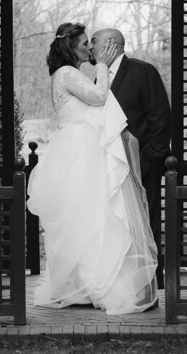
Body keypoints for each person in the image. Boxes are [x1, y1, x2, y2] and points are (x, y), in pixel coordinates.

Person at [27, 22, 158, 314]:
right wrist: (102, 65)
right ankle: (91, 285)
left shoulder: (68, 74)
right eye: (85, 43)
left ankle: (86, 284)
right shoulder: (67, 74)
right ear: (69, 47)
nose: (89, 47)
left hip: (77, 149)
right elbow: (99, 97)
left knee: (87, 217)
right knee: (88, 217)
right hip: (79, 152)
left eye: (90, 43)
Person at [90, 28, 171, 289]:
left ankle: (148, 284)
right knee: (115, 226)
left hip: (142, 168)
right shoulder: (96, 79)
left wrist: (146, 161)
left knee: (144, 226)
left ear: (110, 44)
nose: (90, 47)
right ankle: (119, 284)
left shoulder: (142, 71)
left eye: (94, 41)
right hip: (108, 171)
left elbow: (160, 119)